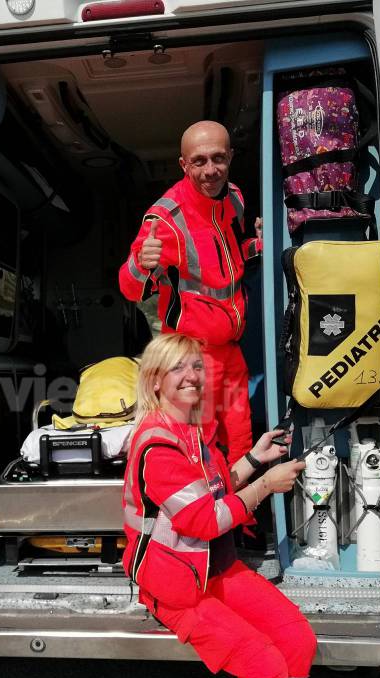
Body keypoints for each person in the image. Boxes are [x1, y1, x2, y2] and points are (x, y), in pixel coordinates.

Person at [123, 333, 314, 678]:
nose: (191, 376)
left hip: (213, 569)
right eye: (178, 368)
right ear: (155, 381)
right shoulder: (157, 443)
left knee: (296, 640)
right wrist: (265, 486)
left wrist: (254, 460)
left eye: (195, 366)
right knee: (265, 670)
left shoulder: (190, 430)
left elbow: (210, 489)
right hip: (177, 588)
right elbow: (203, 520)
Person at [118, 120, 262, 463]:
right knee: (202, 449)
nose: (211, 170)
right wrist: (142, 263)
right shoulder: (164, 217)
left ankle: (240, 514)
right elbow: (129, 287)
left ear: (231, 156)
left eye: (218, 158)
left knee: (241, 439)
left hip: (231, 349)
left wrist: (257, 245)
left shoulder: (235, 198)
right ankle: (208, 516)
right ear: (184, 165)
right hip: (192, 357)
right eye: (199, 161)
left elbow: (227, 260)